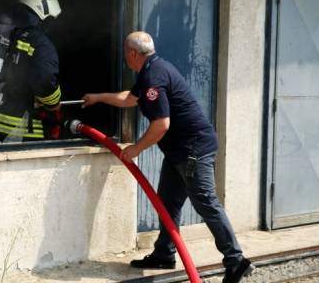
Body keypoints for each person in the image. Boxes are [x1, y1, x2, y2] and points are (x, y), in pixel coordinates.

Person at [82, 31, 253, 283]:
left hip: (193, 150)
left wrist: (136, 149)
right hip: (178, 152)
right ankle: (164, 253)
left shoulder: (153, 76)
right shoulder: (153, 69)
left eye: (125, 53)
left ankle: (235, 260)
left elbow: (161, 124)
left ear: (132, 53)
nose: (124, 58)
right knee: (167, 203)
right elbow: (130, 98)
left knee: (206, 203)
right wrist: (99, 98)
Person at [0, 0, 63, 142]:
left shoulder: (12, 34)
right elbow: (45, 79)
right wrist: (54, 105)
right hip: (18, 124)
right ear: (44, 14)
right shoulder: (40, 44)